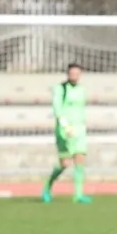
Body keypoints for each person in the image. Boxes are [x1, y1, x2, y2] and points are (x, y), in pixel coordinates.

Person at [42, 62, 92, 204]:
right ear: (68, 74)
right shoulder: (60, 88)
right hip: (65, 130)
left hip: (79, 130)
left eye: (77, 73)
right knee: (64, 163)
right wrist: (65, 126)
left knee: (80, 159)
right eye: (72, 73)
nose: (74, 76)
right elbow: (57, 108)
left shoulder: (82, 89)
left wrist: (82, 125)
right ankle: (47, 187)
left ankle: (78, 195)